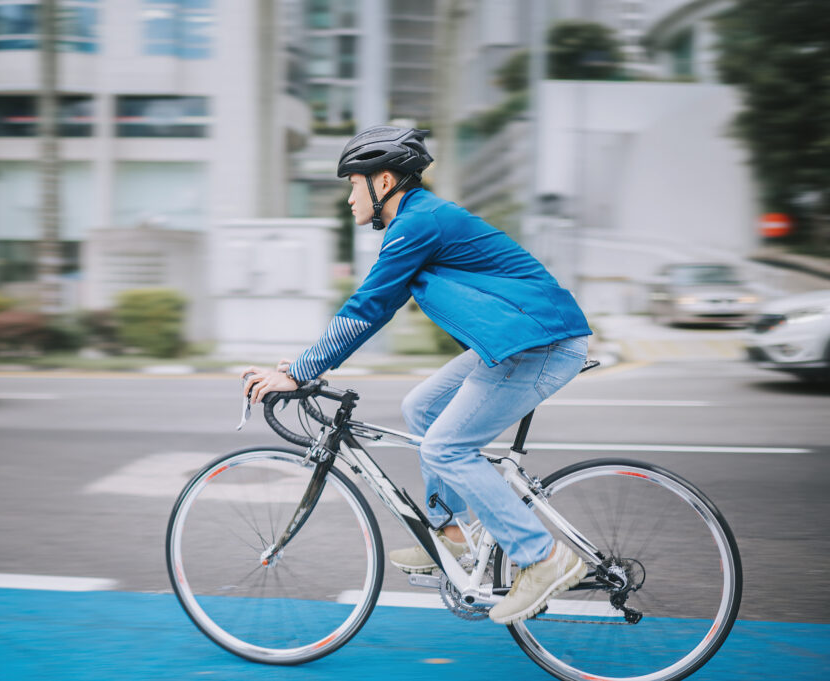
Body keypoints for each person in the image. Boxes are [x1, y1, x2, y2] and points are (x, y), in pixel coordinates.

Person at [242, 125, 592, 625]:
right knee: (421, 408)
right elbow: (373, 308)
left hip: (541, 344)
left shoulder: (418, 223)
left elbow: (369, 308)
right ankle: (448, 535)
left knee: (445, 447)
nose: (348, 198)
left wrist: (300, 372)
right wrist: (303, 366)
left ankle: (542, 558)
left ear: (383, 181)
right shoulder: (421, 221)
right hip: (516, 343)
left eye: (352, 184)